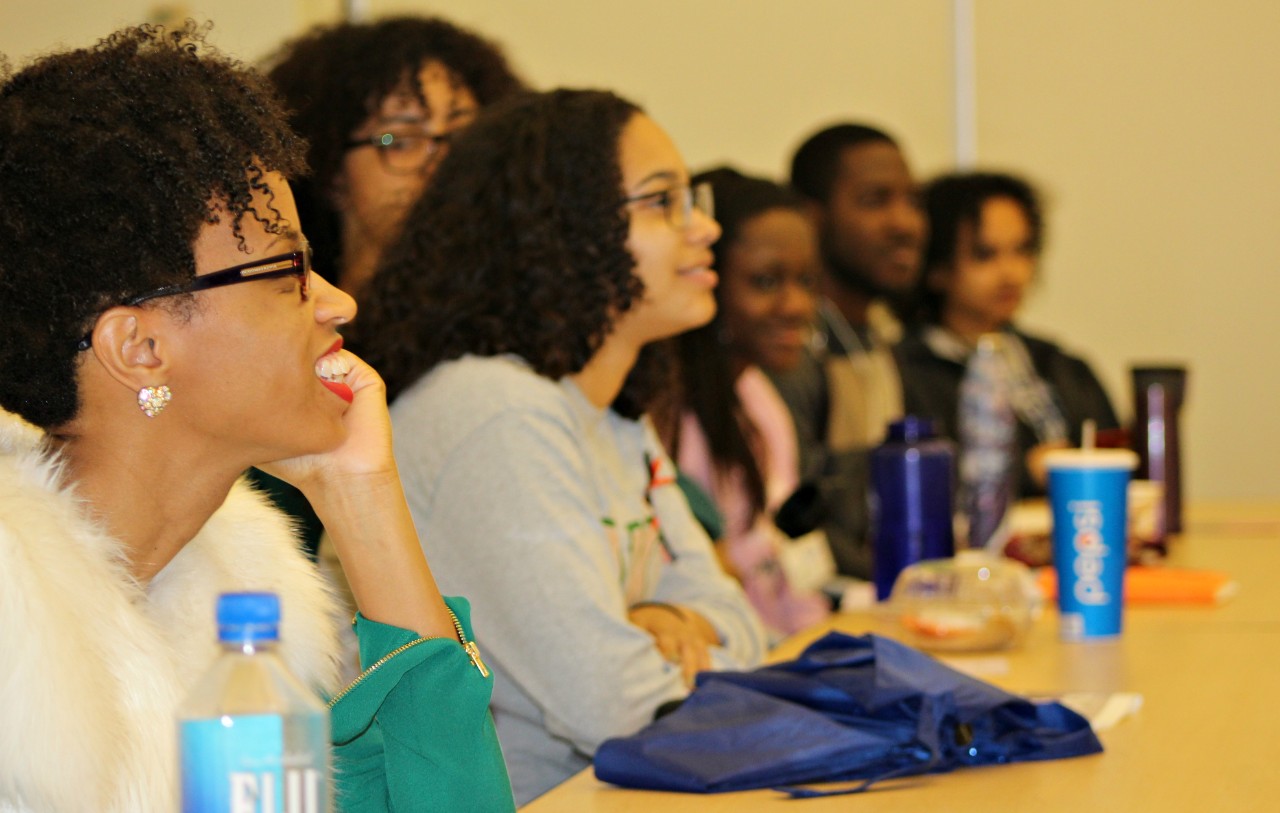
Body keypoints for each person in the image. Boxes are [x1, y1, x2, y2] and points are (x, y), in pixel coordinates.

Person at [0, 24, 513, 811]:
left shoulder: (240, 601)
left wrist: (360, 491)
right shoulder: (17, 644)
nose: (338, 302)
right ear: (138, 346)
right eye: (286, 272)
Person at [358, 89, 768, 806]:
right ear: (564, 228)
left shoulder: (612, 415)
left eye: (691, 197)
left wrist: (674, 622)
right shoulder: (495, 412)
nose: (704, 226)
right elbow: (617, 703)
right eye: (662, 201)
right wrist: (653, 639)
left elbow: (745, 627)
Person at [259, 17, 525, 554]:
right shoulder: (296, 339)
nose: (442, 162)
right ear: (331, 170)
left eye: (463, 133)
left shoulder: (519, 325)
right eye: (400, 139)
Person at [660, 166, 831, 639]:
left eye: (808, 280)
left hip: (775, 653)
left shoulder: (758, 400)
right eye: (765, 281)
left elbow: (790, 566)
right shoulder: (662, 415)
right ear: (702, 275)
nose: (797, 305)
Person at [768, 122, 928, 579]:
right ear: (811, 218)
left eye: (913, 202)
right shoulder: (791, 350)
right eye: (875, 201)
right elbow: (796, 530)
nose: (904, 224)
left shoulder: (880, 337)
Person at [896, 170, 1119, 497]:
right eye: (985, 254)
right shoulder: (906, 370)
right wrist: (1025, 473)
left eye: (1022, 249)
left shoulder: (1060, 364)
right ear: (937, 267)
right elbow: (920, 483)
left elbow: (1118, 457)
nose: (1010, 272)